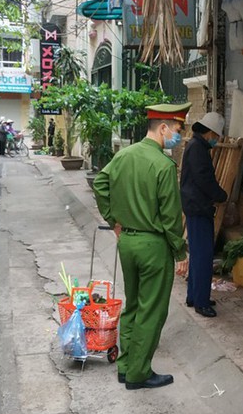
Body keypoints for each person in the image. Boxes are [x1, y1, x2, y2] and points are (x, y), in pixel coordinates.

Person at [93, 102, 192, 390]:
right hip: (153, 246)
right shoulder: (162, 165)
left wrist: (114, 221)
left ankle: (126, 366)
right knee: (152, 310)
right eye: (176, 130)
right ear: (162, 128)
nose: (178, 136)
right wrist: (180, 251)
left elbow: (100, 183)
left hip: (128, 243)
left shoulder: (124, 155)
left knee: (133, 305)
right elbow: (171, 217)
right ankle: (138, 373)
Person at [180, 112, 228, 318]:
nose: (217, 140)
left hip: (195, 207)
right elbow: (204, 180)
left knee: (198, 255)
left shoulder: (195, 146)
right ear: (209, 132)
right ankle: (201, 302)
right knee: (203, 256)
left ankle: (194, 296)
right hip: (199, 208)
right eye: (216, 136)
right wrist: (221, 195)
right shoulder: (198, 149)